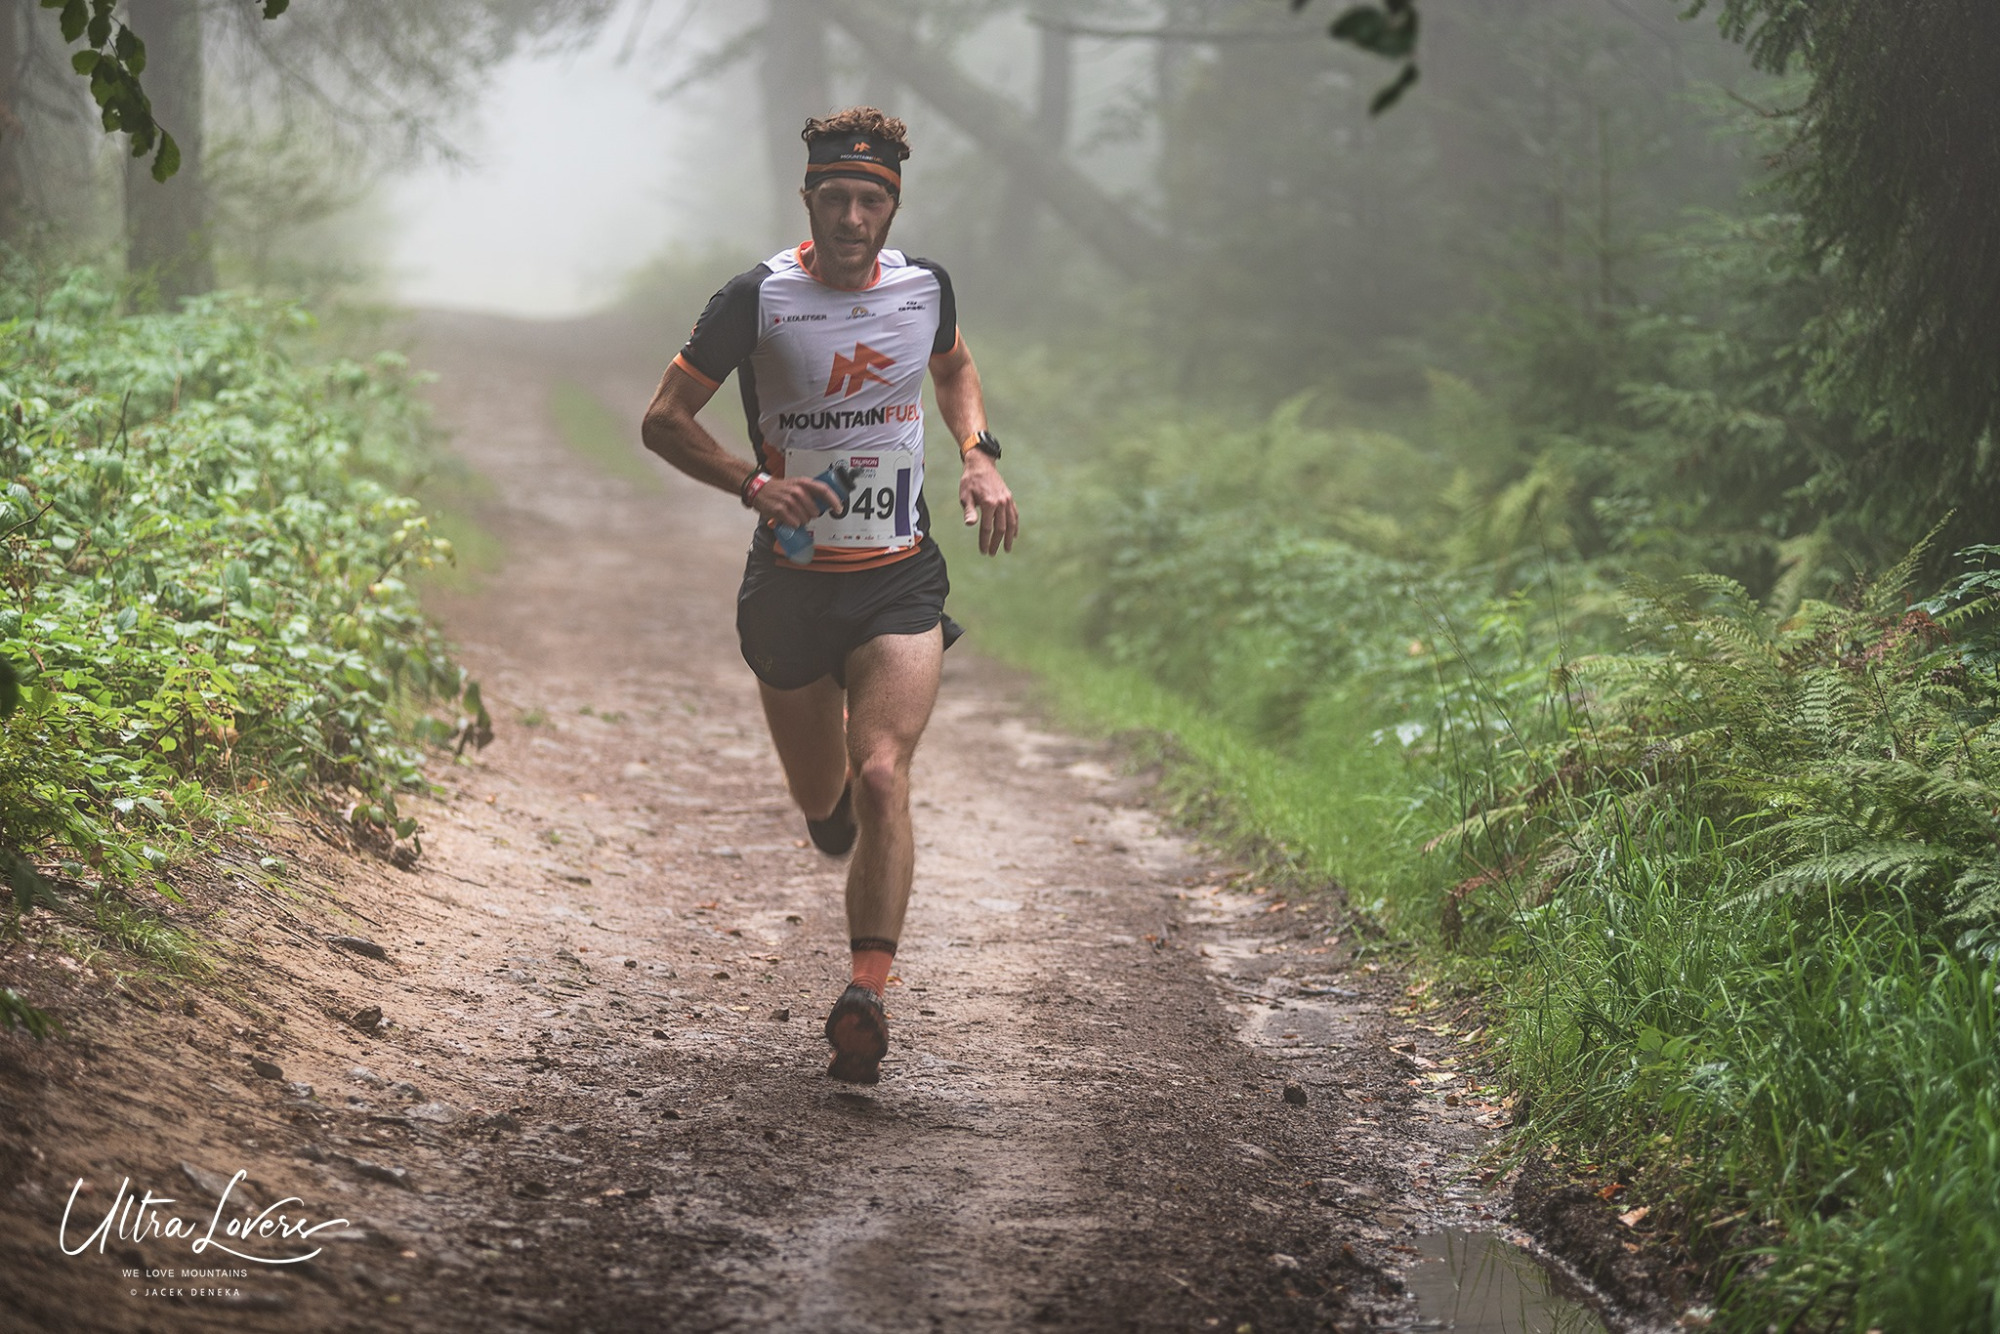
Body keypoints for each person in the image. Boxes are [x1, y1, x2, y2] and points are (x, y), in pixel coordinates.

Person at [640, 107, 1018, 1084]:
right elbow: (661, 420)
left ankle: (865, 993)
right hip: (792, 590)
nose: (855, 215)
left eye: (872, 198)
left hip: (899, 575)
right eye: (837, 196)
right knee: (829, 801)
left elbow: (954, 366)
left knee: (885, 769)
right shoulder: (756, 297)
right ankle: (833, 813)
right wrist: (752, 484)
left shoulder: (922, 287)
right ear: (809, 198)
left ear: (892, 205)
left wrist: (978, 457)